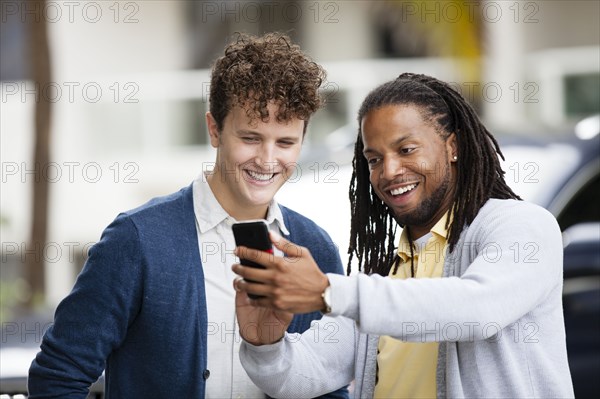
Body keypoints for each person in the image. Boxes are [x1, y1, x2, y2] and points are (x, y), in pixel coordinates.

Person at [28, 32, 348, 399]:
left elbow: (329, 384)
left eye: (286, 142)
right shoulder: (137, 239)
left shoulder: (315, 248)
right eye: (250, 138)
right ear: (214, 129)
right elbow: (57, 377)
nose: (267, 159)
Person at [232, 73, 575, 398]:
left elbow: (476, 310)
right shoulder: (385, 276)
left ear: (452, 146)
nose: (389, 171)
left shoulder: (522, 226)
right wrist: (266, 344)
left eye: (406, 149)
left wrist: (329, 291)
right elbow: (303, 375)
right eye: (375, 159)